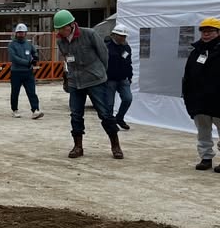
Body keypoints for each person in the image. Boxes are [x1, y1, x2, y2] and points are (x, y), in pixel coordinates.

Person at [54, 9, 122, 160]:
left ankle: (115, 145)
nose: (60, 32)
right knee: (76, 115)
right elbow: (67, 59)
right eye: (58, 29)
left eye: (62, 28)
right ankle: (78, 146)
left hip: (95, 80)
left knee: (105, 113)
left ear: (71, 25)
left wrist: (99, 73)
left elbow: (104, 54)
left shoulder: (89, 34)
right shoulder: (60, 41)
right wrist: (69, 78)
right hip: (75, 82)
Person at [181, 17, 220, 172]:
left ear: (218, 32)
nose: (206, 34)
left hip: (218, 100)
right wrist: (188, 95)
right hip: (199, 101)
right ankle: (206, 158)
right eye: (204, 31)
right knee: (203, 131)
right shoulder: (196, 52)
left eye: (210, 31)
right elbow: (188, 75)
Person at [8, 23, 43, 119]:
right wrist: (27, 62)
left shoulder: (28, 44)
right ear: (16, 33)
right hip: (16, 72)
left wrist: (35, 58)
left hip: (28, 72)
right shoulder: (12, 45)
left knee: (32, 91)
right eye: (19, 32)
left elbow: (34, 52)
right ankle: (14, 109)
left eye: (22, 32)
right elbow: (14, 58)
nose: (21, 34)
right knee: (15, 92)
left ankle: (35, 110)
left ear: (26, 33)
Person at [105, 24, 133, 130]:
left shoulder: (126, 48)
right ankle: (110, 123)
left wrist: (130, 76)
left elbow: (129, 63)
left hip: (123, 79)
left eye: (124, 36)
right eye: (121, 36)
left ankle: (119, 118)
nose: (123, 38)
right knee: (109, 104)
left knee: (128, 99)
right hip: (110, 80)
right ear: (114, 35)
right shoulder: (106, 47)